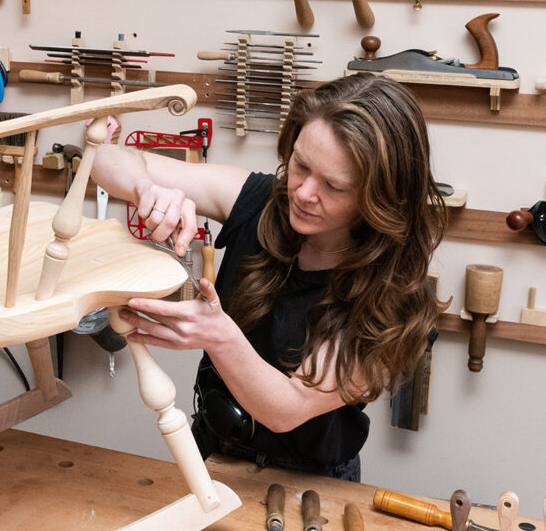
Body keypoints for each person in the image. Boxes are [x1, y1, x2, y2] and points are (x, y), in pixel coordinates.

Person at [90, 73, 446, 481]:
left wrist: (219, 336)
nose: (303, 192)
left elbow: (286, 409)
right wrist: (144, 188)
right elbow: (101, 160)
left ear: (379, 198)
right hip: (210, 447)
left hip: (309, 480)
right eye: (301, 164)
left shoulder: (394, 296)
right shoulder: (258, 199)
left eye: (333, 185)